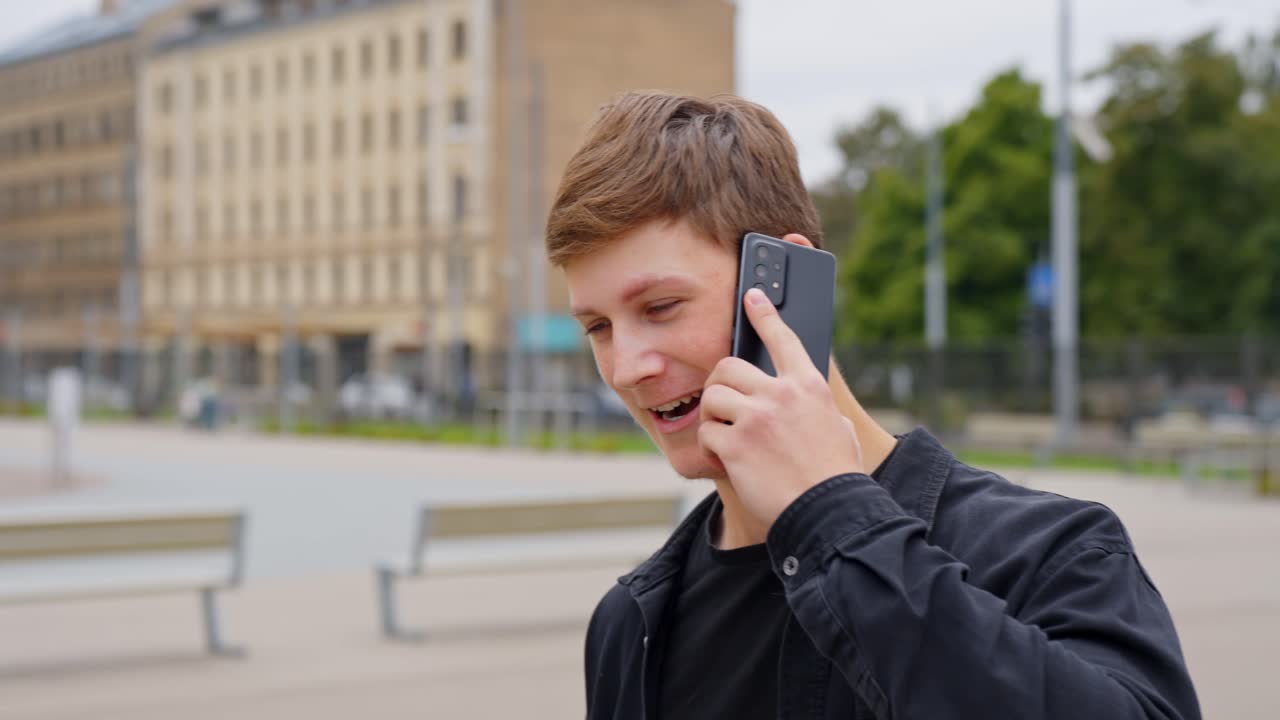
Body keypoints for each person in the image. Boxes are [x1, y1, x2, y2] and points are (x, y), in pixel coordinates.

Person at [545, 91, 1200, 720]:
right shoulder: (633, 624)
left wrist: (831, 515)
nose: (627, 367)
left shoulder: (1050, 554)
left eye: (660, 308)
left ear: (782, 283)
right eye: (597, 327)